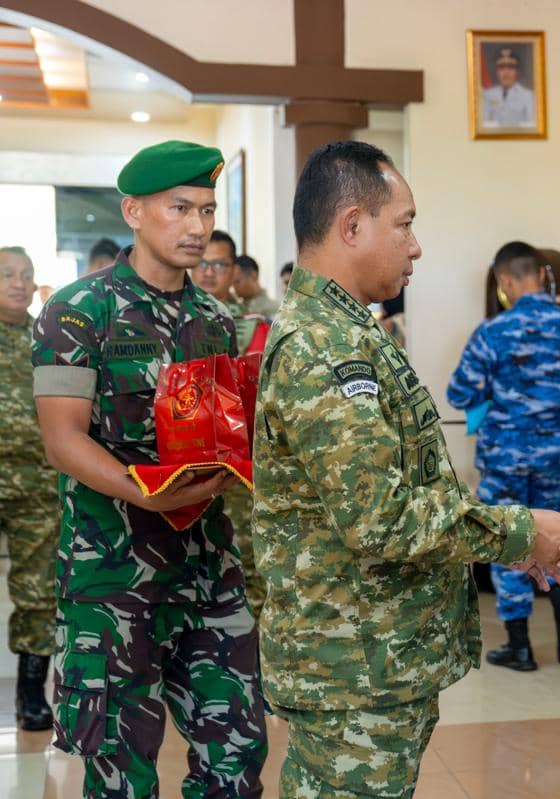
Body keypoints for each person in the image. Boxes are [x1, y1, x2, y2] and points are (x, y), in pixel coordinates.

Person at [253, 140, 560, 798]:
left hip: (374, 660)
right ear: (352, 225)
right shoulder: (322, 344)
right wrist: (517, 532)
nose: (416, 245)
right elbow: (379, 516)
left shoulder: (352, 328)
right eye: (404, 224)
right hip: (350, 669)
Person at [31, 140, 266, 797]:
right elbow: (62, 440)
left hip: (207, 571)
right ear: (134, 212)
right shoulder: (78, 311)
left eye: (207, 210)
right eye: (179, 208)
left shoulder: (215, 319)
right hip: (113, 578)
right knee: (121, 775)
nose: (198, 226)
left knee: (237, 758)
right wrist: (144, 492)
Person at [447, 241, 560, 670]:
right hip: (554, 455)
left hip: (504, 457)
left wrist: (499, 396)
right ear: (542, 275)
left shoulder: (493, 331)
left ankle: (519, 644)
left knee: (509, 538)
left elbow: (459, 392)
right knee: (558, 533)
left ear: (505, 280)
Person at [191, 229, 268, 617]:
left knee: (248, 564)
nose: (208, 272)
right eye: (202, 263)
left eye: (219, 264)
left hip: (240, 468)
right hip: (186, 466)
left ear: (234, 270)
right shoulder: (170, 320)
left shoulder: (256, 325)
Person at [0, 246, 58, 731]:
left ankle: (31, 693)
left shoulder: (46, 339)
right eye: (6, 275)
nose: (19, 283)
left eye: (26, 275)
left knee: (39, 590)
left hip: (37, 486)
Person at [481, 47, 535, 128]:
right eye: (502, 68)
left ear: (517, 72)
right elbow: (483, 125)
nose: (506, 72)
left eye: (510, 68)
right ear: (497, 72)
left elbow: (531, 126)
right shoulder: (487, 95)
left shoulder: (528, 96)